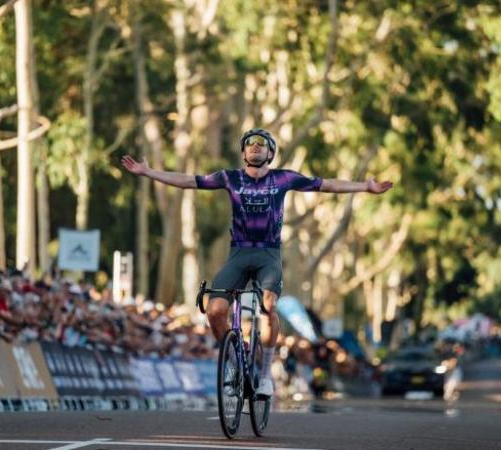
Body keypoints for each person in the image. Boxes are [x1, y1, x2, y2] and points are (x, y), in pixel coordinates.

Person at [121, 128, 393, 397]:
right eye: (249, 144)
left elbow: (328, 185)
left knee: (269, 305)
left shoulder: (283, 178)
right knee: (214, 311)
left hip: (268, 255)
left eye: (261, 144)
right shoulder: (230, 178)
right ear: (243, 153)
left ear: (270, 153)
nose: (254, 146)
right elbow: (189, 180)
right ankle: (234, 360)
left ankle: (264, 376)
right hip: (238, 254)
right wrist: (148, 172)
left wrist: (365, 187)